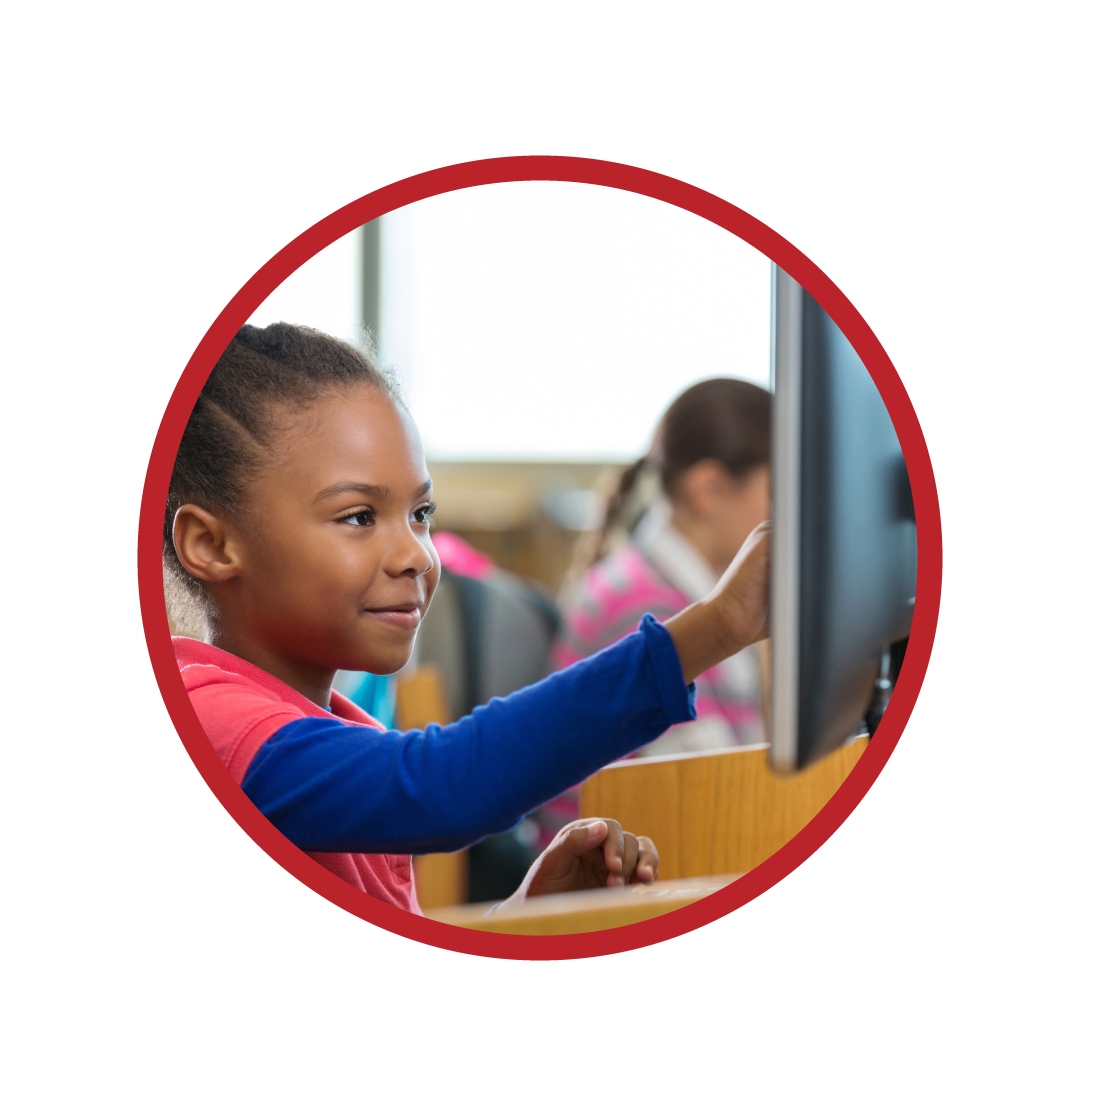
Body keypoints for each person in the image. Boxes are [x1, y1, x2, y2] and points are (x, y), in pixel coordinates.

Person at [165, 324, 770, 914]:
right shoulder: (209, 724)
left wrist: (524, 914)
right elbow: (444, 787)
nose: (418, 555)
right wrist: (715, 626)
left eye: (421, 513)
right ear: (211, 545)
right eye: (357, 516)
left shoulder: (342, 729)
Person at [555, 378, 772, 755]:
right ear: (710, 489)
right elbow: (702, 788)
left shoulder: (685, 588)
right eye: (779, 491)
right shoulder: (641, 604)